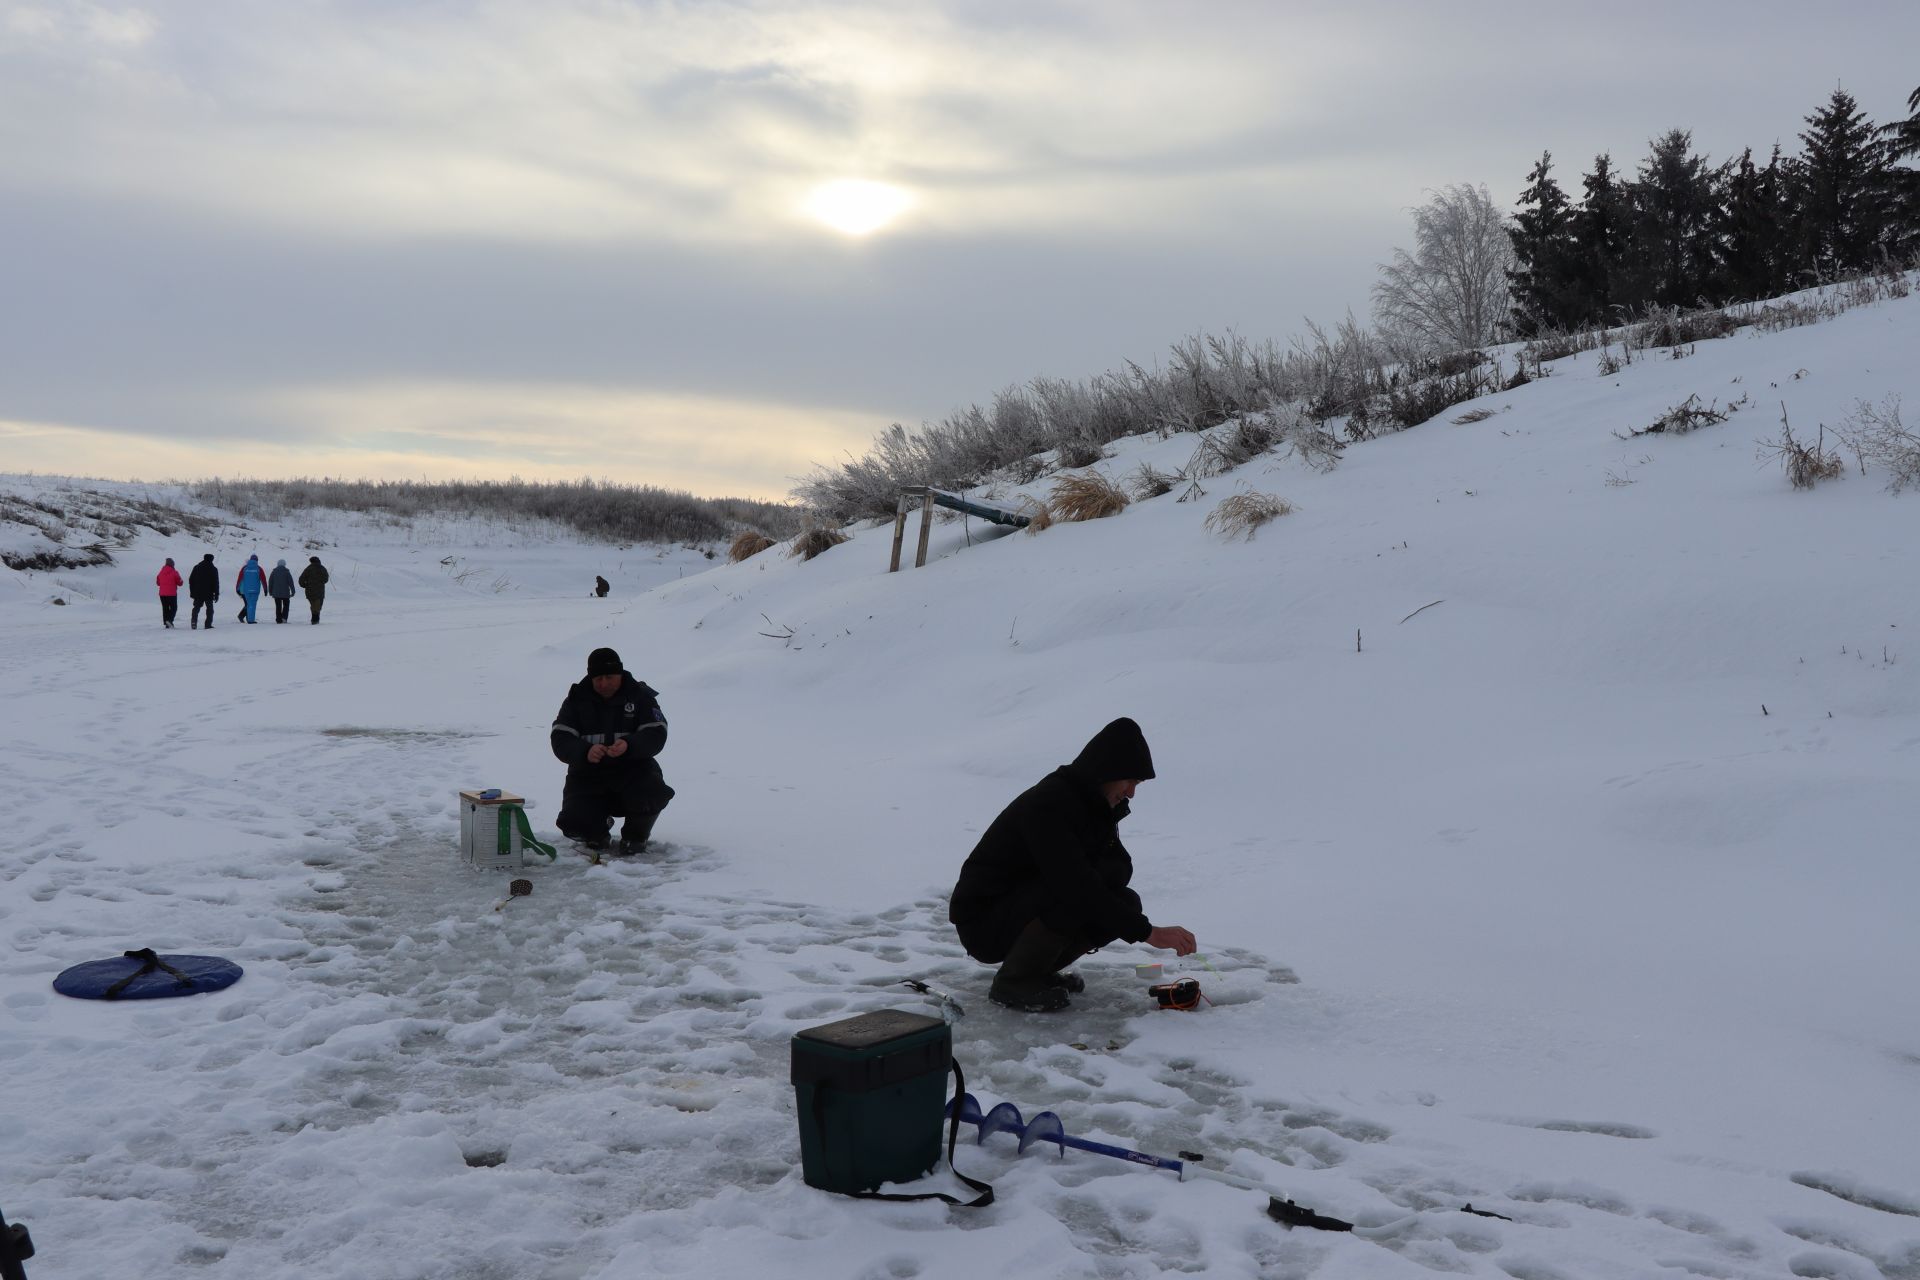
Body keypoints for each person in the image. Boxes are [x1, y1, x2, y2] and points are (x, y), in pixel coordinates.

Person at [948, 717, 1197, 1012]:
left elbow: (1117, 871)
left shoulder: (1094, 807)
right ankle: (1015, 981)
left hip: (1020, 906)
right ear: (1110, 770)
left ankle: (1036, 972)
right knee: (1076, 895)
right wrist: (1149, 933)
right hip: (983, 922)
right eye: (1130, 781)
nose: (1131, 792)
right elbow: (1075, 884)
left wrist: (1108, 862)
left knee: (1125, 903)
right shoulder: (1051, 803)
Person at [549, 647, 673, 854]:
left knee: (653, 793)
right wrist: (584, 751)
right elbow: (560, 737)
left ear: (620, 674)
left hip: (634, 772)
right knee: (573, 822)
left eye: (609, 677)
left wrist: (630, 745)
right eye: (598, 678)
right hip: (588, 776)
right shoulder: (576, 700)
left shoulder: (640, 696)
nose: (604, 683)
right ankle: (597, 829)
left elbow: (657, 734)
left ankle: (636, 836)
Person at [187, 553, 220, 630]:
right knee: (210, 609)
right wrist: (217, 594)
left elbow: (191, 580)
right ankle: (208, 624)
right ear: (211, 559)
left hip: (198, 592)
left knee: (196, 607)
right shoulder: (213, 569)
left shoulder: (196, 567)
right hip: (209, 593)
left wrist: (192, 591)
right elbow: (216, 583)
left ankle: (194, 622)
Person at [234, 554, 266, 623]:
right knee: (251, 605)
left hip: (246, 590)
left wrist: (237, 588)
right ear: (257, 560)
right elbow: (263, 579)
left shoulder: (244, 568)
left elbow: (239, 579)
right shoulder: (259, 568)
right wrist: (265, 589)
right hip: (255, 590)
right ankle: (247, 618)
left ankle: (247, 618)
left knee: (249, 604)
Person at [298, 556, 329, 624]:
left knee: (313, 605)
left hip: (309, 591)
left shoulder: (308, 569)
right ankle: (315, 619)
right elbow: (326, 579)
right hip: (319, 591)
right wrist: (321, 582)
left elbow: (301, 580)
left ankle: (314, 619)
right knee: (318, 605)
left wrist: (305, 586)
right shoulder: (322, 568)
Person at [155, 558, 183, 628]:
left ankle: (166, 623)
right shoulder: (174, 572)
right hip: (171, 594)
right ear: (172, 564)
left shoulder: (161, 572)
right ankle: (169, 620)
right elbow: (180, 583)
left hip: (162, 594)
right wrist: (181, 581)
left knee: (165, 608)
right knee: (174, 608)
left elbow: (158, 583)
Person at [267, 559, 296, 623]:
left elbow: (270, 582)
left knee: (278, 606)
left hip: (276, 593)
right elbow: (291, 582)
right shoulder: (286, 572)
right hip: (285, 593)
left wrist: (270, 591)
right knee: (286, 606)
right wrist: (293, 591)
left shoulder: (274, 572)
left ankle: (278, 619)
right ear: (284, 564)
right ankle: (284, 618)